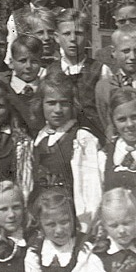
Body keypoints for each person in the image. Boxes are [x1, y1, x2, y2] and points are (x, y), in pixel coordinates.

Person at [31, 72, 102, 230]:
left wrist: (87, 224)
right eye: (51, 103)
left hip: (69, 217)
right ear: (41, 104)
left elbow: (91, 187)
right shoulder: (39, 138)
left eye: (64, 103)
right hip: (41, 214)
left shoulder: (81, 138)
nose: (58, 109)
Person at [46, 8, 102, 138]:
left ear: (87, 35)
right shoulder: (49, 72)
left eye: (78, 33)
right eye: (66, 34)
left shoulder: (100, 70)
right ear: (57, 37)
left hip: (92, 139)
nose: (72, 39)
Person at [98, 88, 136, 204]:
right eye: (122, 119)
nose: (129, 124)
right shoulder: (105, 155)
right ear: (113, 121)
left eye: (135, 117)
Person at [7, 34, 46, 135]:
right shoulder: (4, 91)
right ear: (11, 63)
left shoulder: (46, 91)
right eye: (22, 61)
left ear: (41, 62)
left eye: (34, 61)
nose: (28, 66)